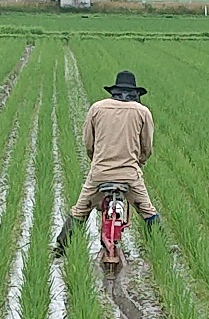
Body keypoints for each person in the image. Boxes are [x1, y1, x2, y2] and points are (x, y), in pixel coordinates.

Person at [54, 70, 160, 256]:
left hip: (100, 173)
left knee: (80, 211)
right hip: (129, 175)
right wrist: (138, 163)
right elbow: (147, 147)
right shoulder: (143, 112)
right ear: (135, 93)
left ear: (114, 92)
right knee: (148, 211)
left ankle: (60, 250)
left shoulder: (97, 108)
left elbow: (88, 142)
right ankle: (161, 250)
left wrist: (97, 161)